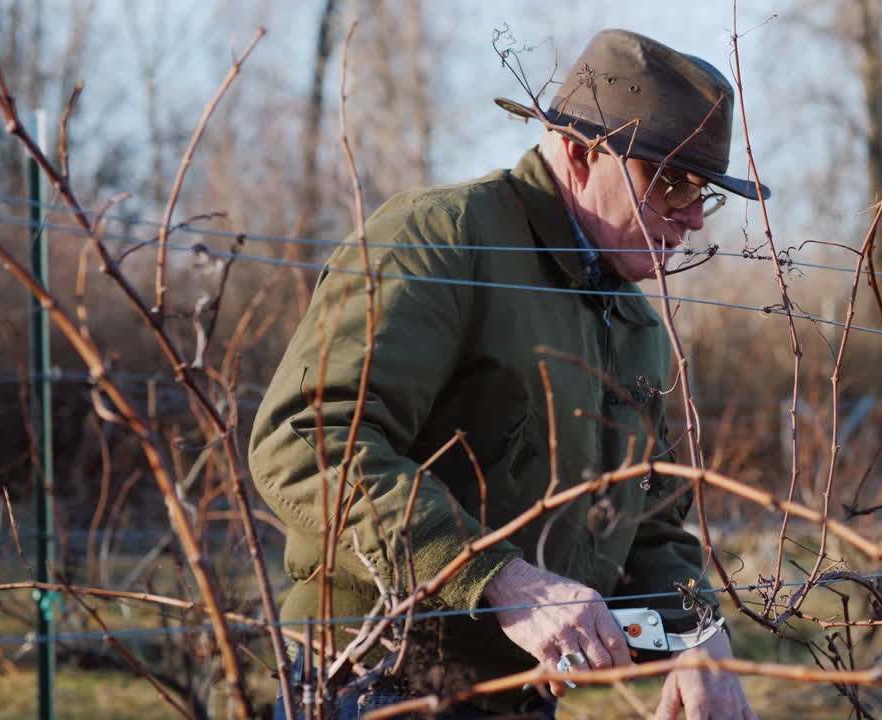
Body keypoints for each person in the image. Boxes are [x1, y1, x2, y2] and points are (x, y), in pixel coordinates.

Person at [249, 28, 768, 719]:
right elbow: (307, 441)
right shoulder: (440, 241)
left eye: (705, 190)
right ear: (581, 153)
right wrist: (502, 581)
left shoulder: (635, 321)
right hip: (376, 679)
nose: (694, 218)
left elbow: (649, 517)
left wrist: (697, 630)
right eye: (670, 180)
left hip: (515, 696)